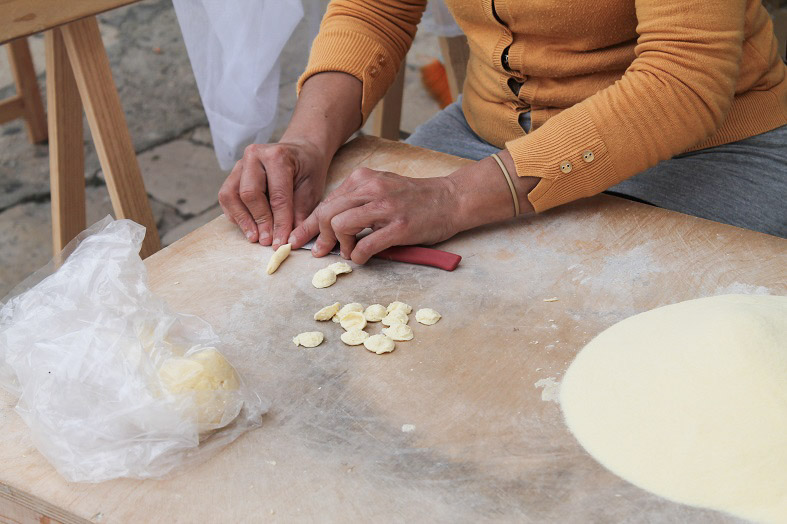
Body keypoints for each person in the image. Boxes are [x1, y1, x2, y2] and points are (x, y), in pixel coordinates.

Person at [218, 0, 787, 263]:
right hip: (486, 137)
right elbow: (374, 10)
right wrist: (306, 142)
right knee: (346, 271)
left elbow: (683, 77)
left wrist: (451, 198)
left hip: (708, 147)